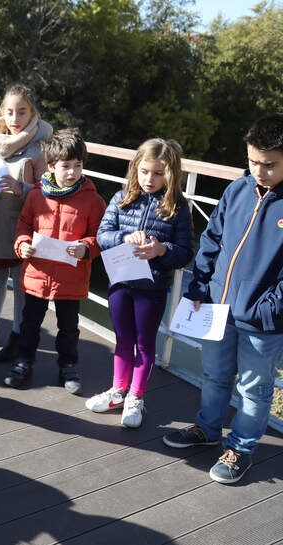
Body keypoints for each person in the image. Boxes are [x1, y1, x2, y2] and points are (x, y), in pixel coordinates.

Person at [163, 113, 283, 484]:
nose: (258, 171)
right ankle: (207, 429)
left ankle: (241, 447)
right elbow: (212, 239)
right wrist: (199, 287)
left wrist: (269, 308)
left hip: (263, 322)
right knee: (214, 374)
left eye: (269, 164)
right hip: (217, 307)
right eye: (252, 162)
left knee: (253, 388)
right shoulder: (238, 189)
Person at [88, 138, 193, 428]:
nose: (149, 179)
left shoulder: (178, 207)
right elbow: (102, 234)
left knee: (145, 344)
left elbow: (185, 252)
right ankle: (118, 391)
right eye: (145, 171)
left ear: (170, 174)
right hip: (120, 282)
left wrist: (161, 250)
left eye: (158, 173)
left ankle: (136, 397)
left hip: (153, 287)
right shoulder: (122, 196)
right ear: (136, 168)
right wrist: (124, 238)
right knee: (122, 340)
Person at [6, 128, 106, 394]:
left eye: (78, 166)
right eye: (66, 166)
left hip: (70, 278)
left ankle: (68, 366)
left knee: (69, 328)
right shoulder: (36, 196)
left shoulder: (93, 201)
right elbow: (23, 225)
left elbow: (99, 236)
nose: (72, 172)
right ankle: (24, 361)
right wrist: (22, 245)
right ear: (50, 166)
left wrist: (86, 248)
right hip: (37, 273)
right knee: (30, 323)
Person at [0, 84, 52, 362]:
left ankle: (17, 336)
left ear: (33, 113)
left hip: (21, 227)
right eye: (10, 112)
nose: (15, 118)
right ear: (1, 113)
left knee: (21, 285)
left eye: (22, 112)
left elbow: (49, 191)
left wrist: (22, 189)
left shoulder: (40, 149)